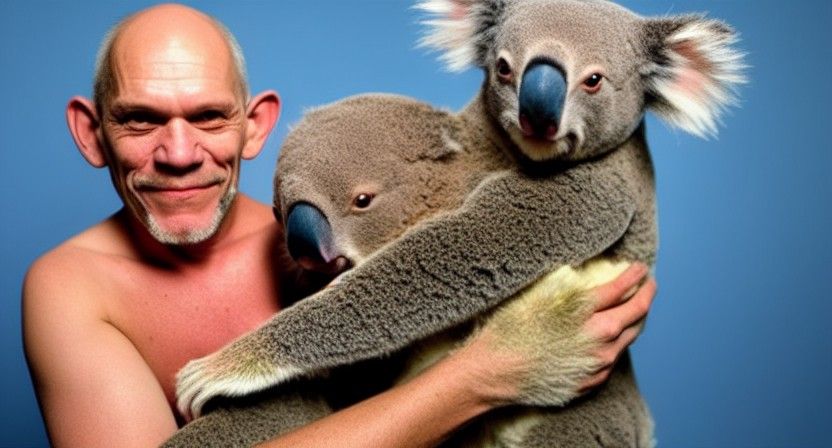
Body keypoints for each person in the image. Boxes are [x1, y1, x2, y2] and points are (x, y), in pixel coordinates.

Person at [22, 4, 657, 447]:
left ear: (256, 125)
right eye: (140, 120)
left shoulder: (590, 185)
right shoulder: (70, 288)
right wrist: (484, 374)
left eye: (210, 117)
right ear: (91, 132)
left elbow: (450, 256)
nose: (180, 152)